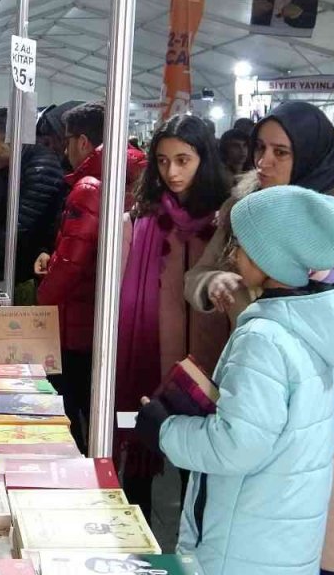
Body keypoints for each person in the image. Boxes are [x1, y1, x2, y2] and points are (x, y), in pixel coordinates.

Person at [184, 102, 334, 575]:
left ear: (313, 155)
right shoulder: (247, 207)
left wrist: (290, 308)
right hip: (256, 383)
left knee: (323, 534)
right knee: (259, 526)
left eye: (281, 152)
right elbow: (199, 274)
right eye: (261, 149)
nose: (264, 163)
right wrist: (213, 285)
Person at [140, 184, 334, 575]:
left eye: (240, 246)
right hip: (282, 538)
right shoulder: (317, 325)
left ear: (271, 257)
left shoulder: (264, 338)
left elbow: (236, 446)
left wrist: (164, 430)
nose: (231, 255)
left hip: (241, 543)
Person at [35, 106, 196, 456]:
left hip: (78, 323)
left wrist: (39, 303)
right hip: (126, 328)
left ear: (81, 141)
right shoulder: (146, 186)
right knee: (110, 415)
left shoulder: (92, 185)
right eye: (166, 160)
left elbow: (71, 263)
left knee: (73, 412)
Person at [110, 115, 232, 517]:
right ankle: (133, 543)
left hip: (208, 364)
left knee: (196, 466)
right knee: (139, 452)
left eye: (183, 160)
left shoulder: (225, 223)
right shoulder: (142, 220)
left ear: (204, 159)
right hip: (147, 356)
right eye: (163, 162)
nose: (172, 172)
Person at [0, 109, 68, 284]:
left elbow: (18, 224)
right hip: (21, 266)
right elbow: (2, 218)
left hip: (31, 271)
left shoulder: (40, 168)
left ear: (13, 140)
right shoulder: (16, 166)